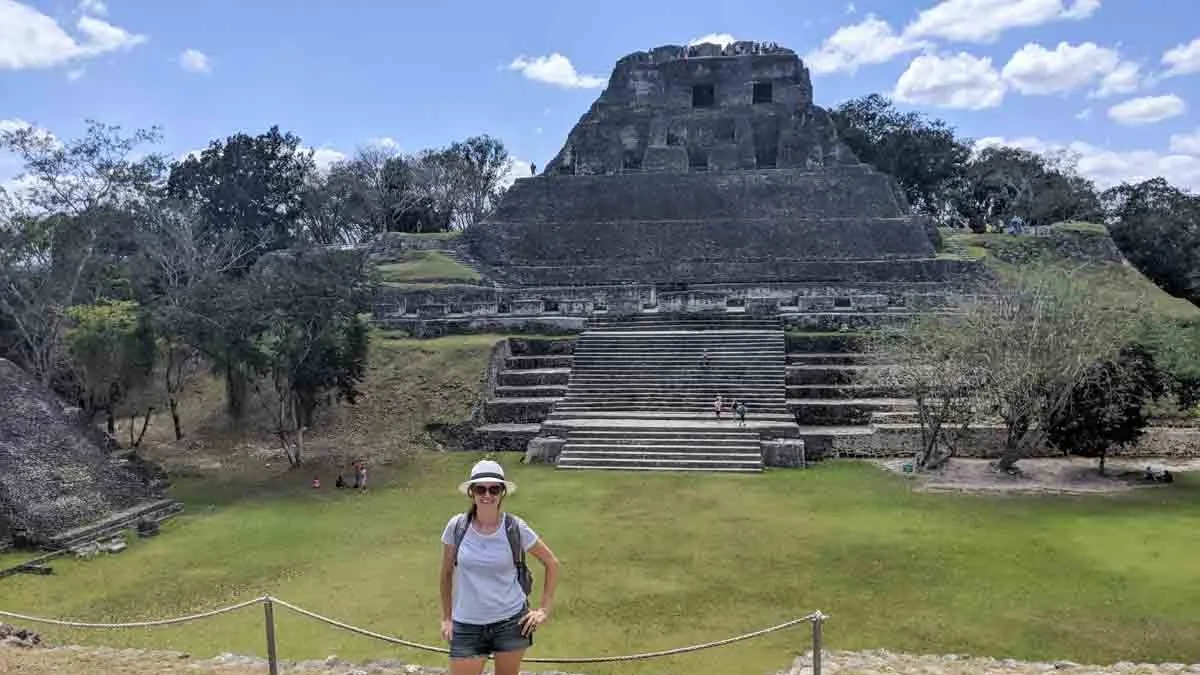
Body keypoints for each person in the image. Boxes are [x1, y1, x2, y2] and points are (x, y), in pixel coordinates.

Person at [440, 460, 559, 675]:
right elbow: (446, 574)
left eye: (494, 489)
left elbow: (552, 563)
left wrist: (543, 610)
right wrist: (447, 618)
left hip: (511, 621)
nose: (487, 495)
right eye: (480, 489)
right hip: (467, 622)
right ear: (471, 492)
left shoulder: (514, 527)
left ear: (502, 492)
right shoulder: (457, 526)